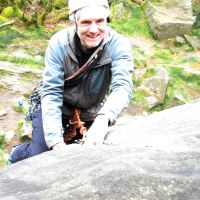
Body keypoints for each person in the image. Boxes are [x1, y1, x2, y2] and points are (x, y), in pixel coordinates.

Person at [8, 0, 133, 164]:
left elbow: (122, 86)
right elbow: (52, 93)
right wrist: (56, 142)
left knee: (87, 158)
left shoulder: (118, 45)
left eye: (100, 21)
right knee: (40, 156)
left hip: (90, 110)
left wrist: (102, 120)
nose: (94, 29)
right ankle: (17, 153)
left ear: (107, 20)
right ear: (75, 22)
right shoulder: (59, 44)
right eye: (86, 22)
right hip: (55, 106)